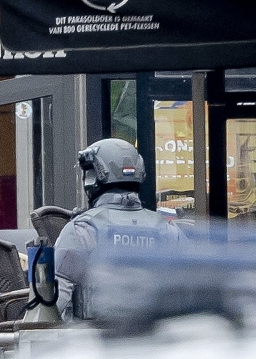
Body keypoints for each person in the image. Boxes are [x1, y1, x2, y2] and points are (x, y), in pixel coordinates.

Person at [54, 138, 183, 321]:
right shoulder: (168, 230)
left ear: (94, 178)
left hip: (95, 344)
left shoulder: (82, 229)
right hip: (154, 343)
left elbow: (53, 303)